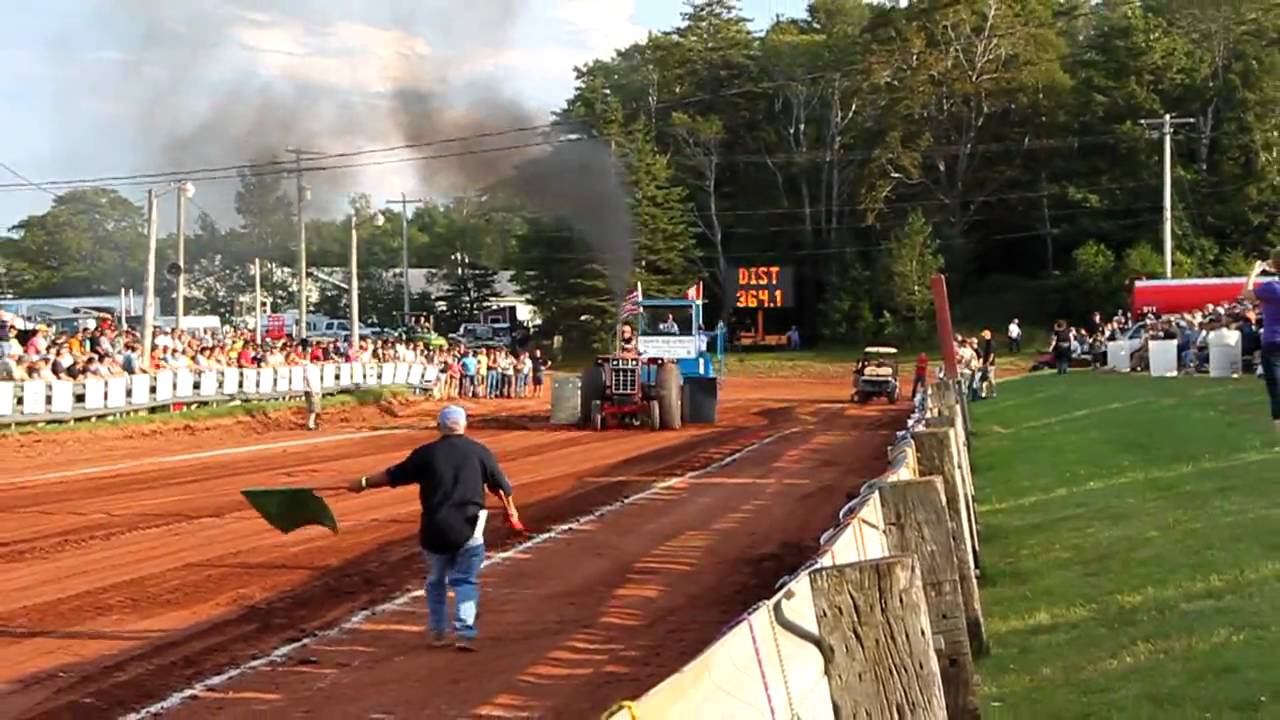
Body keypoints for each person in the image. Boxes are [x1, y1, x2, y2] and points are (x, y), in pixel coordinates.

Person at [347, 406, 521, 651]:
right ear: (464, 425)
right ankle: (464, 632)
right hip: (469, 528)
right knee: (465, 581)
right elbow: (502, 486)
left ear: (438, 427)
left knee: (437, 580)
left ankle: (438, 632)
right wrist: (510, 510)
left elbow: (392, 475)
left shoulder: (426, 454)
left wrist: (363, 483)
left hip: (434, 529)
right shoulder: (480, 452)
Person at [1242, 251, 1280, 426]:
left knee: (1276, 390)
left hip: (1273, 341)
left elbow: (1247, 294)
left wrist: (1254, 273)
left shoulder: (1272, 287)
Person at [304, 359, 322, 431]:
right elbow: (309, 379)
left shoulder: (316, 369)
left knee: (314, 408)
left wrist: (319, 391)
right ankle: (310, 424)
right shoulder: (309, 368)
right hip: (311, 390)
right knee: (313, 408)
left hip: (315, 390)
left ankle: (311, 423)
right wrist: (312, 390)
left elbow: (318, 381)